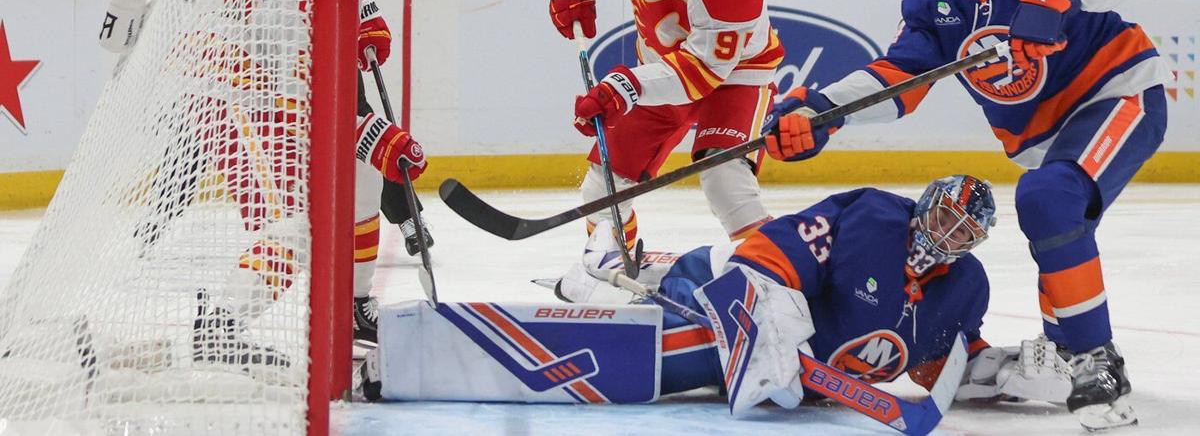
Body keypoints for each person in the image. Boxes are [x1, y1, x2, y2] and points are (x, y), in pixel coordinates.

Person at [764, 0, 1167, 431]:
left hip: (1118, 92)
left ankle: (1095, 358)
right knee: (1053, 211)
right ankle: (1065, 346)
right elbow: (900, 79)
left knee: (1048, 199)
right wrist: (824, 111)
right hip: (1045, 141)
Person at [361, 175, 1075, 415]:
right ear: (924, 205)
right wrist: (775, 326)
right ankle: (422, 351)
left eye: (963, 232)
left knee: (667, 325)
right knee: (652, 350)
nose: (946, 235)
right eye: (943, 216)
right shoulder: (871, 219)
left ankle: (616, 272)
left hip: (778, 356)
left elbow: (940, 363)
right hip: (726, 287)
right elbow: (764, 258)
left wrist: (999, 371)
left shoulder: (965, 288)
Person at [247, 0, 498, 344]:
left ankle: (355, 303)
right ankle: (218, 320)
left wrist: (363, 14)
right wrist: (375, 137)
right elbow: (310, 105)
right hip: (239, 85)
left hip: (279, 68)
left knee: (364, 180)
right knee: (300, 223)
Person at [548, 0, 785, 294]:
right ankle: (615, 270)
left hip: (737, 75)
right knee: (602, 185)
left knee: (724, 180)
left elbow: (701, 74)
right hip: (660, 68)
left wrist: (625, 88)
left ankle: (778, 277)